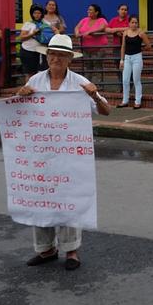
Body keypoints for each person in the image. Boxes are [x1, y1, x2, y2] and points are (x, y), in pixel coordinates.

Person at [16, 34, 110, 271]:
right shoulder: (36, 81)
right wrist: (20, 96)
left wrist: (94, 95)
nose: (55, 58)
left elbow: (106, 111)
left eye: (61, 55)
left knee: (69, 199)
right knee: (41, 198)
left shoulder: (80, 82)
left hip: (70, 153)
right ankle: (46, 249)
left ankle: (71, 251)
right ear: (46, 56)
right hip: (41, 152)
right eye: (52, 54)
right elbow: (19, 113)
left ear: (70, 59)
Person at [118, 15, 151, 109]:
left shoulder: (141, 33)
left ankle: (138, 101)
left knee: (136, 80)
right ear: (129, 23)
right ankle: (125, 101)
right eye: (132, 22)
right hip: (127, 58)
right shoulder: (125, 32)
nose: (134, 24)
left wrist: (141, 50)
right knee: (125, 80)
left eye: (136, 22)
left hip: (137, 57)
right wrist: (121, 60)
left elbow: (149, 45)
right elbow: (123, 46)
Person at [74, 4, 109, 78]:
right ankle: (87, 85)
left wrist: (90, 31)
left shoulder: (101, 20)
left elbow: (102, 27)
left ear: (96, 12)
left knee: (97, 67)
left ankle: (99, 86)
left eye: (90, 10)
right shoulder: (84, 20)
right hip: (86, 49)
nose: (88, 11)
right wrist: (77, 33)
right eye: (88, 9)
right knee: (87, 67)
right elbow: (77, 27)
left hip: (98, 49)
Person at [18, 4, 47, 80]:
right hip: (28, 51)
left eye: (39, 13)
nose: (37, 15)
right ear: (32, 14)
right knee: (29, 73)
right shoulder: (28, 24)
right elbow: (21, 38)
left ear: (42, 14)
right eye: (35, 13)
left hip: (41, 51)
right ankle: (28, 90)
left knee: (40, 74)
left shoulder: (46, 24)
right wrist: (32, 33)